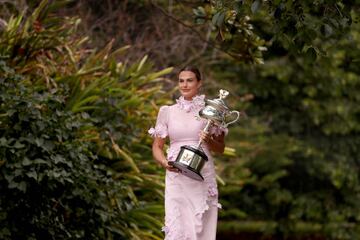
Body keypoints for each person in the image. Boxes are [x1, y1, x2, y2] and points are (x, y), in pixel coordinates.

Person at [148, 66, 228, 240]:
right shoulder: (167, 112)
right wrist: (164, 163)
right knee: (177, 225)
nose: (184, 85)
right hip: (176, 174)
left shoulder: (211, 111)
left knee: (200, 226)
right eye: (181, 80)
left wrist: (208, 140)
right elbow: (157, 146)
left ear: (199, 83)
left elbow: (220, 148)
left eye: (189, 80)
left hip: (202, 173)